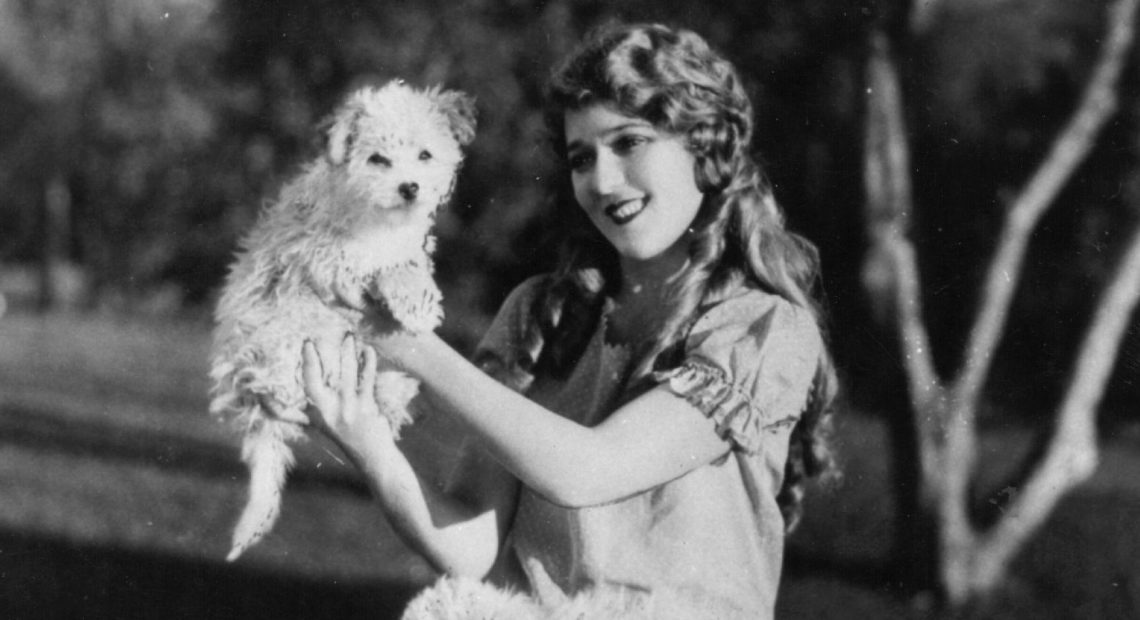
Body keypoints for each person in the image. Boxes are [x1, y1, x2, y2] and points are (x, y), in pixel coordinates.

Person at [301, 22, 838, 619]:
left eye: (629, 143)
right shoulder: (541, 313)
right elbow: (473, 549)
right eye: (582, 158)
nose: (603, 180)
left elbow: (590, 470)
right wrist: (366, 441)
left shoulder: (761, 329)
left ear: (704, 149)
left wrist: (413, 347)